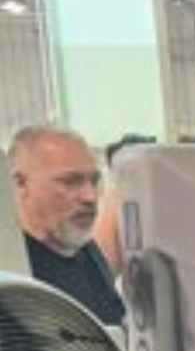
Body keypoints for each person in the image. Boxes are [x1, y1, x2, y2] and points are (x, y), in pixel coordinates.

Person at [8, 125, 126, 326]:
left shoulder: (86, 250)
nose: (90, 197)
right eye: (71, 182)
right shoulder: (13, 268)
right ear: (21, 184)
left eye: (95, 181)